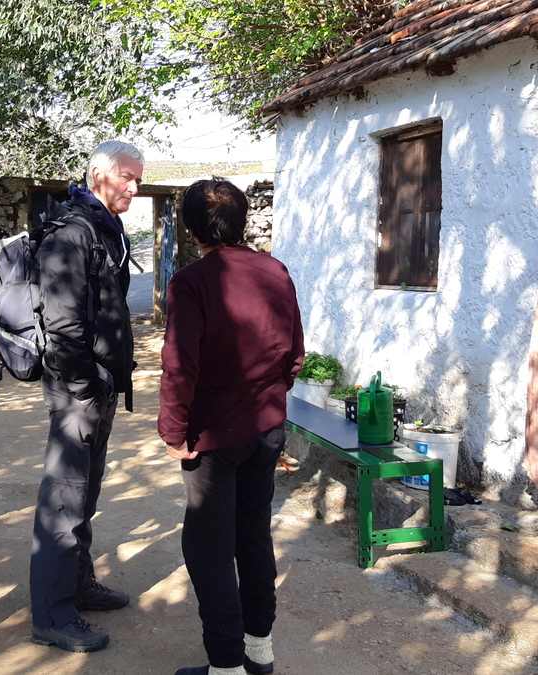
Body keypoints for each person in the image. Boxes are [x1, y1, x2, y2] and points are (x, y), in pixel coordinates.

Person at [157, 180, 305, 675]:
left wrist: (174, 431)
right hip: (265, 427)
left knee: (209, 547)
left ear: (192, 228)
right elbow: (295, 354)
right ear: (241, 222)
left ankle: (226, 666)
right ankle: (258, 651)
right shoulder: (274, 271)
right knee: (253, 536)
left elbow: (182, 367)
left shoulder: (192, 282)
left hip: (214, 437)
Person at [29, 140, 141, 653]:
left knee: (85, 494)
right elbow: (63, 323)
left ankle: (78, 584)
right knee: (64, 499)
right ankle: (53, 615)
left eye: (139, 178)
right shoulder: (72, 233)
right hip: (80, 391)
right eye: (127, 178)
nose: (135, 188)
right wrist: (84, 385)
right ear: (98, 175)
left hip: (97, 387)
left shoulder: (101, 228)